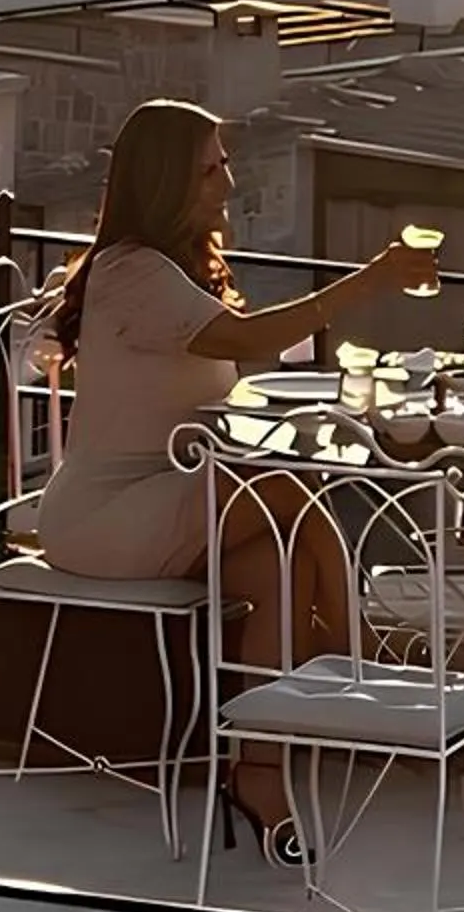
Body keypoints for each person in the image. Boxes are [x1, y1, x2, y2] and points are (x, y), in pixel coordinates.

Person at [35, 98, 429, 859]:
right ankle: (359, 664)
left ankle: (260, 770)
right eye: (211, 168)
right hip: (104, 514)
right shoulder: (131, 273)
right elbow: (247, 340)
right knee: (297, 490)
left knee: (277, 562)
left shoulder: (174, 265)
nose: (229, 181)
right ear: (165, 181)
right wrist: (367, 282)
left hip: (167, 494)